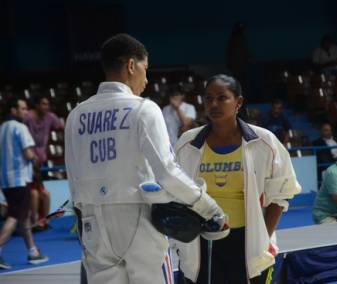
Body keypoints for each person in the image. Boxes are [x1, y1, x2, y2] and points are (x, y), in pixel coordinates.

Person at [64, 33, 224, 284]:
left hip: (92, 224)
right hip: (139, 218)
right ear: (130, 65)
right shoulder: (143, 108)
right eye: (145, 69)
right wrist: (209, 208)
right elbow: (167, 172)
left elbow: (73, 178)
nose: (147, 79)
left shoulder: (76, 116)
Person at [174, 74, 301, 284]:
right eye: (208, 98)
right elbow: (177, 193)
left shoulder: (265, 142)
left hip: (248, 243)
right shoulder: (187, 144)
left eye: (222, 98)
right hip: (201, 244)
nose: (213, 104)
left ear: (238, 102)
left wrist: (261, 239)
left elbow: (281, 195)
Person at [0, 98, 48, 269]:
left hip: (5, 181)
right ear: (13, 110)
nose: (26, 111)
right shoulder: (20, 128)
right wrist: (35, 158)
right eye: (22, 108)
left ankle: (33, 252)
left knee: (23, 217)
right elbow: (28, 154)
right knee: (14, 216)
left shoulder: (1, 128)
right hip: (20, 179)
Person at [24, 96, 63, 231]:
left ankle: (43, 222)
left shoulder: (50, 117)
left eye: (48, 104)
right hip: (26, 162)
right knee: (33, 194)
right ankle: (33, 223)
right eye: (43, 103)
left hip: (39, 162)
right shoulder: (27, 117)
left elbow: (61, 126)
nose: (46, 107)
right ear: (36, 105)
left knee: (44, 194)